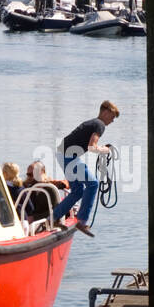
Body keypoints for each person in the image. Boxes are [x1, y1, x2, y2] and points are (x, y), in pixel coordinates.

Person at [52, 100, 120, 237]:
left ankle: (53, 218)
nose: (112, 121)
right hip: (68, 156)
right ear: (105, 112)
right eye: (112, 117)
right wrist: (105, 150)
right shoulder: (100, 125)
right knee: (93, 184)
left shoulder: (94, 123)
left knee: (77, 191)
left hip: (63, 154)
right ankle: (82, 221)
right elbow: (92, 147)